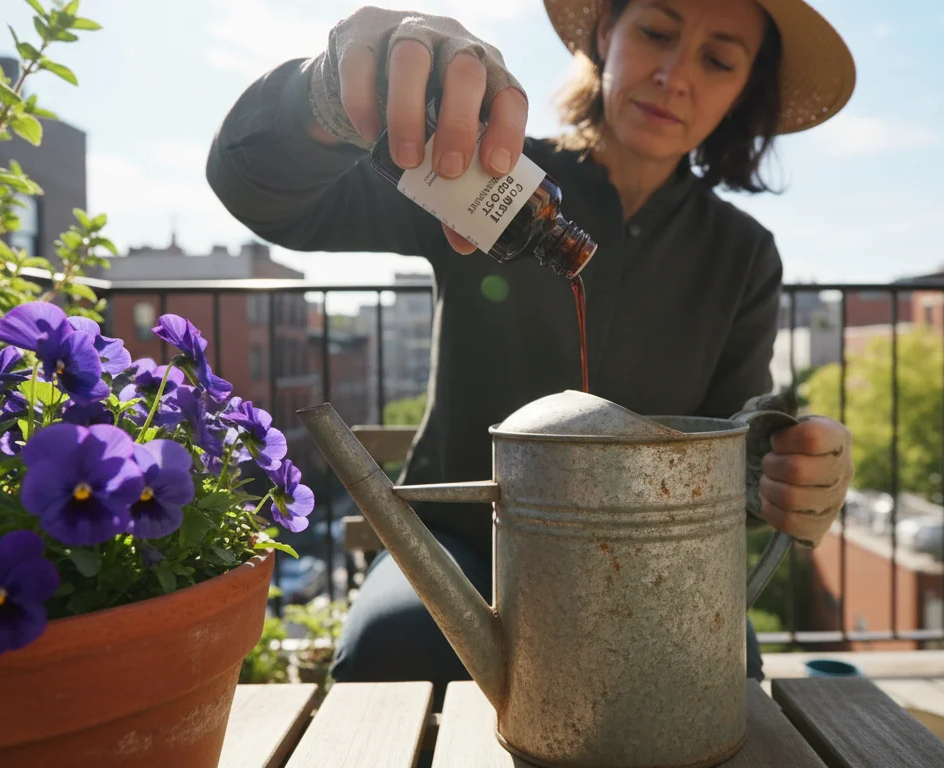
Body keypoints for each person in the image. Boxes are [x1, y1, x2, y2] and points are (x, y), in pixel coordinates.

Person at [206, 0, 857, 706]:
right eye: (657, 32)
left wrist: (789, 466)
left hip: (648, 568)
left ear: (745, 89)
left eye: (719, 60)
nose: (673, 75)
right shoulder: (487, 172)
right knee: (393, 643)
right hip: (458, 544)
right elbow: (261, 191)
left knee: (723, 663)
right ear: (607, 34)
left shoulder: (742, 253)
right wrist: (327, 96)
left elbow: (731, 445)